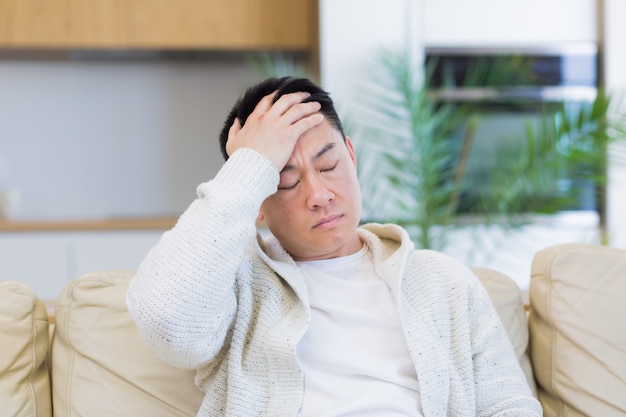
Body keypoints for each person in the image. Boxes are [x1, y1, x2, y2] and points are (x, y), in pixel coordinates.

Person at [126, 76, 543, 416]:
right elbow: (167, 323)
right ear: (255, 200)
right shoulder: (237, 286)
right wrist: (248, 169)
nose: (319, 194)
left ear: (351, 155)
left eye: (328, 165)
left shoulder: (442, 281)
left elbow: (507, 405)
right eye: (285, 179)